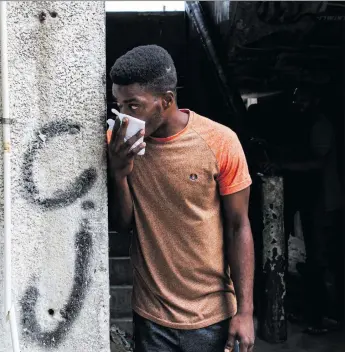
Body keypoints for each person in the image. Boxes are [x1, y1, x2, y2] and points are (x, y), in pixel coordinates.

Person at [107, 45, 255, 352]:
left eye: (133, 106)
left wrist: (246, 312)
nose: (123, 117)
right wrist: (120, 173)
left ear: (166, 101)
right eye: (118, 105)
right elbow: (123, 225)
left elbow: (239, 226)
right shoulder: (119, 144)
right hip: (151, 317)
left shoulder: (220, 141)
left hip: (212, 317)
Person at [262, 87, 343, 334]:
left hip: (324, 199)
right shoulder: (305, 124)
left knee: (319, 257)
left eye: (304, 99)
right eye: (297, 99)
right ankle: (310, 311)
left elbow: (316, 163)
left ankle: (321, 315)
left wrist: (284, 165)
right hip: (313, 196)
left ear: (316, 100)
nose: (299, 104)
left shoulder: (320, 125)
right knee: (301, 255)